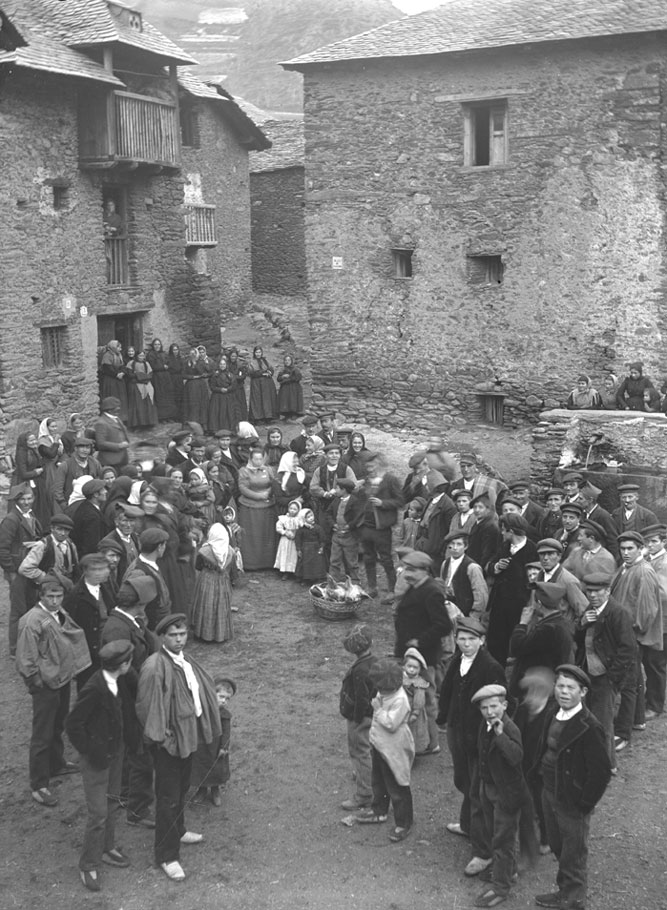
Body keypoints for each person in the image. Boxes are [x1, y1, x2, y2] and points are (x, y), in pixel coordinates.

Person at [135, 613, 221, 882]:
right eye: (173, 635)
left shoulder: (184, 661)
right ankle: (166, 855)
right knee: (168, 797)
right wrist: (162, 738)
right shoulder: (154, 667)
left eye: (182, 633)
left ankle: (179, 830)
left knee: (182, 787)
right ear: (162, 637)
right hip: (168, 744)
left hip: (187, 736)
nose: (179, 639)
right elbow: (146, 708)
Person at [534, 665, 612, 910]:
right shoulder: (553, 712)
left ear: (583, 692)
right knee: (558, 845)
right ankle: (564, 891)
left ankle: (575, 899)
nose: (563, 692)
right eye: (560, 686)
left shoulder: (589, 726)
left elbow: (601, 772)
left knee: (574, 852)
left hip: (572, 800)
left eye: (570, 688)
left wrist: (584, 803)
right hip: (549, 791)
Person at [15, 576, 91, 807]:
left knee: (59, 723)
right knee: (42, 732)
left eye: (59, 596)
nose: (55, 600)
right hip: (46, 683)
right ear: (41, 596)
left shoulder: (58, 613)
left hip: (62, 678)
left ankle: (56, 763)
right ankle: (39, 784)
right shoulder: (31, 621)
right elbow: (26, 656)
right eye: (51, 596)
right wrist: (35, 680)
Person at [65, 640, 134, 892]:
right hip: (97, 759)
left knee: (112, 801)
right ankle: (88, 864)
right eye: (130, 661)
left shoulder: (116, 680)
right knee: (98, 814)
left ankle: (107, 847)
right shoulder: (95, 688)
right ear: (123, 664)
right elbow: (73, 724)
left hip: (115, 753)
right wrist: (91, 751)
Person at [437, 617, 505, 860]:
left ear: (482, 641)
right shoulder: (458, 661)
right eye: (461, 639)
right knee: (464, 781)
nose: (465, 644)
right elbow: (447, 690)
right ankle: (467, 826)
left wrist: (488, 736)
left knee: (478, 793)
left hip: (478, 738)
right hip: (458, 732)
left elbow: (498, 707)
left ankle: (483, 852)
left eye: (471, 640)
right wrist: (443, 716)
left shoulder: (490, 667)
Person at [469, 684, 526, 909]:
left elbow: (516, 757)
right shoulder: (485, 725)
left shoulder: (509, 728)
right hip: (489, 787)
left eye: (494, 706)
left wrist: (501, 735)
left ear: (504, 705)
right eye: (484, 708)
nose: (490, 712)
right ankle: (509, 870)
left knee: (503, 839)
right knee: (496, 831)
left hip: (506, 792)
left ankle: (501, 887)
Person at [573, 572, 636, 768]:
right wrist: (582, 624)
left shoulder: (618, 613)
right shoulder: (590, 610)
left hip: (605, 677)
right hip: (587, 673)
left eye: (597, 591)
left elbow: (628, 649)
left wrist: (612, 678)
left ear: (608, 591)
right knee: (588, 717)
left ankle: (608, 765)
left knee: (603, 722)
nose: (592, 595)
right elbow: (577, 637)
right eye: (589, 591)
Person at [394, 550, 452, 753]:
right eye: (406, 568)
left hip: (424, 657)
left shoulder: (432, 591)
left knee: (427, 698)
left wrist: (419, 641)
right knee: (415, 694)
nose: (406, 573)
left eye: (411, 569)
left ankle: (432, 743)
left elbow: (444, 625)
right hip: (412, 654)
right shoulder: (416, 586)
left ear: (424, 570)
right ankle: (420, 736)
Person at [610, 530, 663, 752]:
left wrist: (633, 631)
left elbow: (647, 609)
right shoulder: (626, 568)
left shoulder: (643, 572)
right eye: (622, 549)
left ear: (640, 548)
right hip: (625, 631)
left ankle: (622, 732)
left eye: (630, 548)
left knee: (628, 683)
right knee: (635, 678)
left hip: (631, 634)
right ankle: (638, 718)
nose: (625, 553)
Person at [356, 658, 415, 843]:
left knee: (397, 784)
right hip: (380, 745)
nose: (380, 691)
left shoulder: (401, 699)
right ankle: (379, 810)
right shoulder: (385, 690)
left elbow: (391, 723)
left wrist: (378, 710)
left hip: (394, 747)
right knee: (379, 779)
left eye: (383, 689)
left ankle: (404, 822)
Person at [485, 513, 538, 667]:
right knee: (495, 641)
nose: (501, 533)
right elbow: (490, 565)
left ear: (511, 531)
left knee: (515, 641)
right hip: (499, 603)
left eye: (504, 530)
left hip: (519, 605)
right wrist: (496, 567)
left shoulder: (532, 550)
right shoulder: (504, 546)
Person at [508, 581, 574, 697]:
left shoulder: (547, 629)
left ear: (539, 604)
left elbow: (516, 648)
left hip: (535, 689)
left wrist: (522, 623)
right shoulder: (561, 623)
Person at [0, 482, 43, 656]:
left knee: (30, 605)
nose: (26, 502)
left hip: (29, 569)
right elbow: (2, 548)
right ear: (17, 500)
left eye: (29, 498)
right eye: (23, 499)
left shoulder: (30, 515)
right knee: (18, 610)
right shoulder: (11, 519)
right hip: (18, 571)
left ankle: (28, 643)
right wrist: (11, 570)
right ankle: (15, 648)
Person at [353, 452, 401, 602]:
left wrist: (383, 503)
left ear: (379, 464)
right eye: (367, 467)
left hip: (382, 528)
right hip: (366, 527)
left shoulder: (390, 480)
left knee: (386, 559)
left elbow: (400, 501)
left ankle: (392, 591)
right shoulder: (366, 481)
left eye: (372, 466)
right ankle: (372, 588)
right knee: (368, 557)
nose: (369, 470)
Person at [339, 623, 377, 812]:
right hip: (372, 715)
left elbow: (362, 699)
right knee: (368, 750)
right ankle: (367, 777)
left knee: (359, 751)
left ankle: (364, 794)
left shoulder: (360, 670)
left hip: (360, 718)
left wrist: (356, 719)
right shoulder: (373, 661)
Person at [64, 552, 112, 690]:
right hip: (87, 652)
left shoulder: (105, 588)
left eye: (103, 568)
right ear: (85, 571)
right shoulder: (75, 596)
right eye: (95, 569)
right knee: (87, 688)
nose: (100, 573)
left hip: (106, 646)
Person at [309, 441, 357, 567]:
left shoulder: (346, 469)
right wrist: (324, 493)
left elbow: (353, 484)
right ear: (326, 456)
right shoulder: (320, 470)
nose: (334, 456)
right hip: (324, 507)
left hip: (342, 506)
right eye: (331, 453)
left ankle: (348, 568)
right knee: (325, 535)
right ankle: (327, 567)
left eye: (336, 453)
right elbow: (313, 487)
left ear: (340, 455)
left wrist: (336, 491)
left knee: (343, 535)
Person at [191, 677, 236, 806]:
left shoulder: (225, 715)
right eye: (221, 697)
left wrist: (224, 747)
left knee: (216, 770)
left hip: (217, 748)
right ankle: (202, 790)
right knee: (201, 769)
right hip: (202, 746)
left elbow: (226, 732)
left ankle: (215, 791)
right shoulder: (202, 710)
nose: (224, 701)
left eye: (227, 698)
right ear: (211, 694)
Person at [18, 513, 78, 606]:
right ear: (52, 529)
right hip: (46, 591)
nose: (63, 533)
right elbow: (25, 568)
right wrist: (46, 578)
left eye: (66, 530)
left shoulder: (71, 545)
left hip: (65, 590)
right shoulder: (43, 545)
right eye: (59, 529)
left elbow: (75, 567)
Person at [191, 523, 234, 643]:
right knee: (221, 605)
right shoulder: (230, 551)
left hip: (207, 579)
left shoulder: (205, 551)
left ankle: (204, 633)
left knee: (206, 604)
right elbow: (231, 569)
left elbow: (198, 566)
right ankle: (220, 633)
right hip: (222, 581)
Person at [123, 527, 172, 631]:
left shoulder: (150, 565)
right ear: (159, 547)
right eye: (164, 544)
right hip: (150, 628)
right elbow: (135, 609)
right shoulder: (138, 572)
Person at [237, 447, 277, 570]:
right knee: (252, 536)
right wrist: (258, 496)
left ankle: (268, 562)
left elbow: (274, 483)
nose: (258, 461)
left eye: (260, 459)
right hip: (250, 507)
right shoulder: (244, 471)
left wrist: (268, 493)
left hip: (267, 505)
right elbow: (243, 488)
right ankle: (251, 563)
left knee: (266, 535)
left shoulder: (268, 469)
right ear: (251, 459)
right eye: (256, 459)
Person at [642, 524, 667, 718]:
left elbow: (663, 592)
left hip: (662, 621)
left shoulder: (664, 563)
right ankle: (648, 697)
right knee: (648, 660)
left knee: (656, 662)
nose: (649, 545)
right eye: (647, 542)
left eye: (653, 541)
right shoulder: (649, 559)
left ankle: (655, 704)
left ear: (663, 542)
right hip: (651, 618)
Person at [440, 530, 488, 619]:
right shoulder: (445, 564)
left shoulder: (472, 567)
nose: (455, 547)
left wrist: (472, 618)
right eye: (452, 544)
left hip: (464, 614)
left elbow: (481, 597)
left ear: (465, 546)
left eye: (459, 544)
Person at [53, 437, 102, 512]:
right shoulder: (65, 465)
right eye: (82, 447)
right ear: (76, 449)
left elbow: (99, 481)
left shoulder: (95, 463)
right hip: (72, 505)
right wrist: (65, 506)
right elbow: (58, 490)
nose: (85, 450)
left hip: (92, 504)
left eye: (87, 447)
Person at [328, 479, 362, 583]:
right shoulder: (336, 500)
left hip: (350, 537)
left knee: (351, 561)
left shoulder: (355, 501)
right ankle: (334, 581)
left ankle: (355, 582)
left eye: (337, 488)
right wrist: (333, 524)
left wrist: (349, 526)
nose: (335, 490)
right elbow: (328, 513)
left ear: (344, 490)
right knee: (334, 560)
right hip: (336, 536)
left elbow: (359, 517)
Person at [401, 646, 432, 755]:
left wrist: (416, 712)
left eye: (415, 667)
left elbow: (419, 699)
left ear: (419, 669)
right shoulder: (401, 678)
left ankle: (410, 753)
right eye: (409, 666)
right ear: (404, 666)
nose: (412, 669)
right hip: (400, 709)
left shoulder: (419, 683)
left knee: (412, 732)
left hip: (412, 711)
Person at [71, 479, 108, 557]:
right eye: (103, 490)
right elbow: (91, 545)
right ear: (95, 494)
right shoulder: (92, 516)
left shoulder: (85, 506)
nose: (106, 492)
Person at [468, 492, 502, 572]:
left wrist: (479, 569)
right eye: (475, 507)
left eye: (480, 507)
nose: (477, 510)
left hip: (480, 567)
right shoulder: (478, 523)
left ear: (488, 509)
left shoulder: (490, 527)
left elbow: (487, 552)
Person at [95, 397, 130, 469]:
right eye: (116, 408)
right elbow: (100, 443)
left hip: (122, 458)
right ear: (109, 410)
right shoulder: (101, 423)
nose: (119, 409)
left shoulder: (116, 418)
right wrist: (119, 446)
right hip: (111, 461)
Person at [126, 350, 158, 429]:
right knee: (138, 405)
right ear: (136, 356)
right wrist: (141, 376)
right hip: (136, 386)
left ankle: (148, 423)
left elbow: (150, 375)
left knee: (148, 404)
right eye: (140, 356)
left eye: (143, 356)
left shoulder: (146, 364)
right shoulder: (131, 363)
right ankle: (137, 424)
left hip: (146, 386)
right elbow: (130, 375)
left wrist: (139, 375)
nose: (141, 357)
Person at [183, 347, 212, 430]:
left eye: (194, 354)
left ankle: (203, 423)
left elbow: (202, 372)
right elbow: (184, 374)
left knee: (202, 404)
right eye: (191, 354)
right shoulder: (186, 362)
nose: (193, 355)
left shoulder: (201, 362)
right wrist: (192, 377)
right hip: (190, 386)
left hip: (200, 386)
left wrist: (195, 364)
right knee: (192, 404)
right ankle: (191, 423)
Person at [99, 341, 129, 422]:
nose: (120, 349)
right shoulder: (107, 356)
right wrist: (116, 374)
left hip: (119, 380)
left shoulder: (119, 355)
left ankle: (122, 417)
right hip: (111, 381)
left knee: (120, 397)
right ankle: (111, 418)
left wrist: (123, 372)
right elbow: (107, 369)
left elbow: (123, 366)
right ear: (114, 347)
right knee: (112, 397)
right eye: (119, 347)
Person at [247, 345, 278, 423]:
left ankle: (268, 417)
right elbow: (251, 373)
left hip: (267, 383)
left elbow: (271, 369)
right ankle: (258, 418)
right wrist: (262, 373)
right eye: (256, 352)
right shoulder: (252, 362)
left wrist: (269, 373)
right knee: (257, 400)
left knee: (267, 399)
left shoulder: (265, 361)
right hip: (257, 384)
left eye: (259, 352)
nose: (258, 354)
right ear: (254, 353)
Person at [295, 508, 326, 583]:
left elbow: (322, 538)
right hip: (305, 549)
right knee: (305, 563)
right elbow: (298, 539)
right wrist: (298, 549)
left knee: (317, 563)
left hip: (315, 548)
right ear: (303, 519)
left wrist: (321, 547)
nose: (311, 518)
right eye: (308, 517)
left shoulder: (318, 528)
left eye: (311, 515)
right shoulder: (301, 530)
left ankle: (317, 577)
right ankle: (305, 578)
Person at [208, 354, 236, 433]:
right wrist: (220, 389)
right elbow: (212, 386)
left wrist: (227, 389)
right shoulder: (215, 375)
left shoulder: (230, 375)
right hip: (217, 397)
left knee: (228, 412)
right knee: (217, 412)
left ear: (226, 365)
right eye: (221, 364)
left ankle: (229, 429)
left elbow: (234, 385)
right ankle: (216, 430)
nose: (222, 366)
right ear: (218, 365)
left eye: (224, 364)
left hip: (228, 396)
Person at [274, 499, 302, 578]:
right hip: (285, 539)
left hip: (294, 539)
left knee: (293, 554)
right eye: (291, 508)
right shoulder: (283, 518)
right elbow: (278, 527)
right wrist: (285, 532)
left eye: (295, 509)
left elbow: (301, 527)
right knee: (285, 553)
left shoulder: (299, 519)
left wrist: (296, 534)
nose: (292, 511)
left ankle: (293, 570)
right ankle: (284, 570)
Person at [145, 338, 171, 422]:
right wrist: (162, 367)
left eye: (158, 344)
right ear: (153, 345)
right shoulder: (150, 354)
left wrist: (166, 366)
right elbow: (152, 366)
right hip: (157, 377)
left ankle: (168, 416)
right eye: (155, 344)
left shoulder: (164, 353)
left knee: (166, 397)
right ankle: (161, 417)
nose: (157, 346)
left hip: (165, 378)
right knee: (159, 396)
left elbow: (169, 363)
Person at [276, 353, 304, 418]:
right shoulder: (283, 370)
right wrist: (283, 376)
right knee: (285, 400)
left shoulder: (295, 369)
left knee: (292, 400)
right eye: (286, 360)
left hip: (293, 388)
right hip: (285, 388)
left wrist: (289, 378)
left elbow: (298, 377)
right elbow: (278, 378)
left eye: (288, 360)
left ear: (291, 361)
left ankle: (293, 413)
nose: (287, 362)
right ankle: (287, 414)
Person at [226, 348, 248, 424]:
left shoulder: (240, 365)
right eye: (232, 356)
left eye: (235, 356)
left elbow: (243, 376)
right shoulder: (227, 365)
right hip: (230, 388)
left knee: (240, 404)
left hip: (239, 388)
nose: (233, 358)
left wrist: (234, 377)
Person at [165, 343, 185, 421]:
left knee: (180, 397)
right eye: (174, 350)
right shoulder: (168, 359)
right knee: (172, 397)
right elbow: (167, 368)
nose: (175, 351)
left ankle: (180, 416)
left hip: (179, 379)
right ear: (171, 351)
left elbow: (183, 369)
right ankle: (173, 416)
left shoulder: (180, 359)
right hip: (171, 378)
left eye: (176, 350)